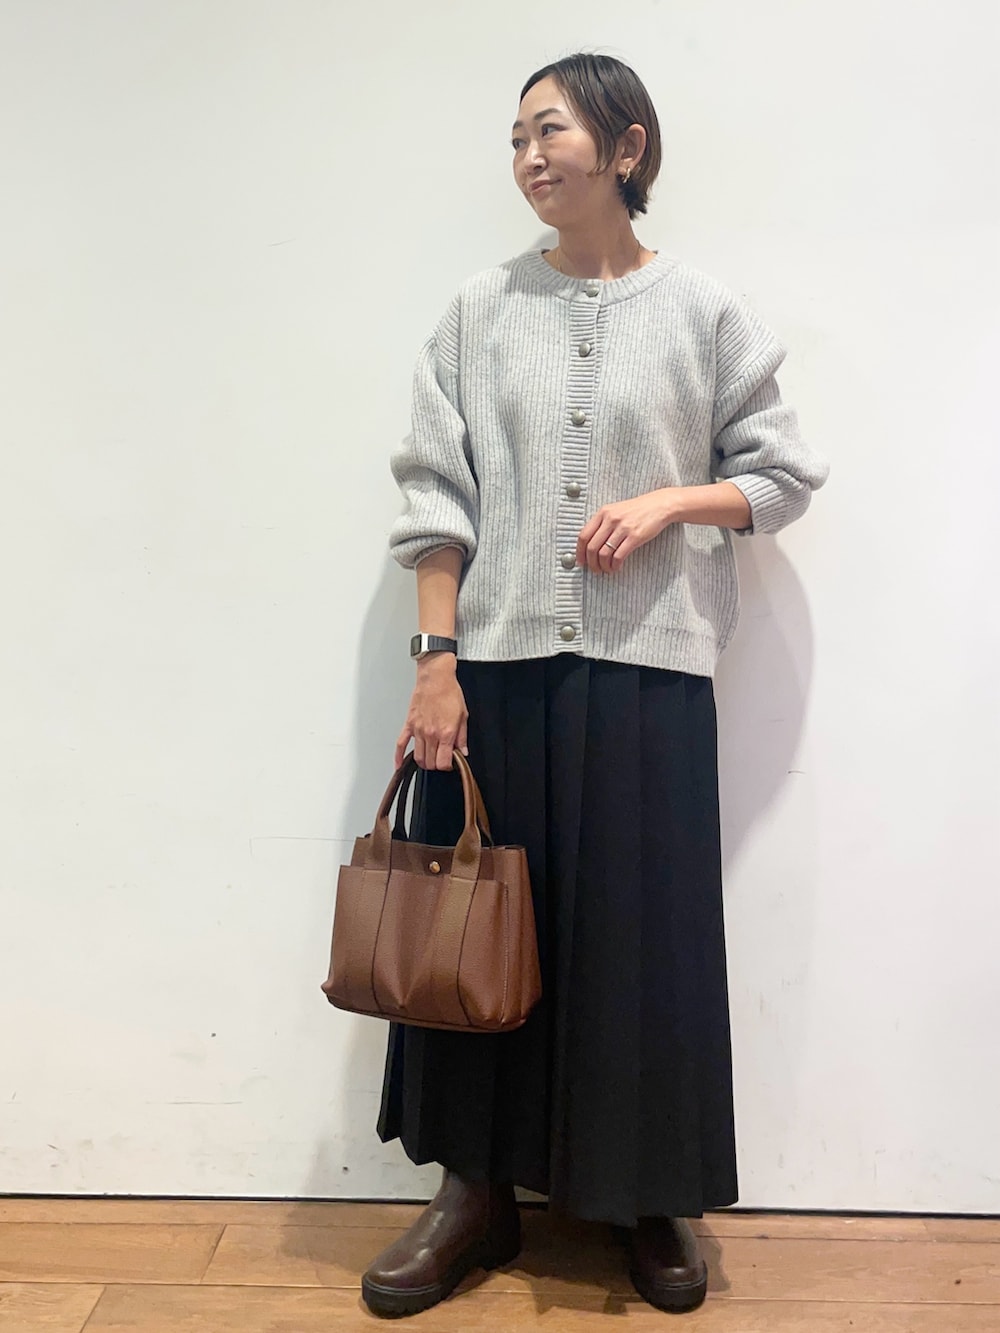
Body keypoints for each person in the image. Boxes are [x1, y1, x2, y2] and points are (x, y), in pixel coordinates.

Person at [362, 53, 828, 1318]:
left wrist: (672, 500)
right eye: (515, 138)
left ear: (626, 148)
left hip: (648, 673)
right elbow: (435, 498)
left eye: (550, 130)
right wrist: (436, 664)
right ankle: (473, 1191)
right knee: (474, 929)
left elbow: (782, 474)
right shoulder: (477, 312)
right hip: (496, 674)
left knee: (640, 942)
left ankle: (650, 1193)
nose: (527, 156)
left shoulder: (706, 312)